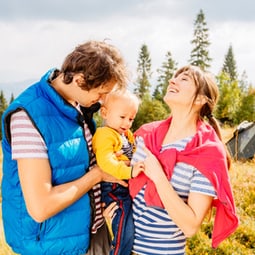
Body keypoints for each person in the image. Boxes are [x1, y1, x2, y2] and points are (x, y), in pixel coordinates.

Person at [1, 40, 129, 255]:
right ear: (79, 80)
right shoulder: (28, 116)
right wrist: (97, 176)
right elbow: (41, 207)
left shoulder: (78, 105)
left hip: (90, 233)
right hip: (52, 246)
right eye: (101, 92)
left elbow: (76, 167)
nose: (104, 99)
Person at [105, 65, 239, 255]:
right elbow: (126, 185)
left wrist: (159, 177)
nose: (172, 80)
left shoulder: (207, 152)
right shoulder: (144, 135)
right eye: (174, 76)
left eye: (184, 79)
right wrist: (115, 214)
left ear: (200, 99)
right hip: (123, 249)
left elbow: (190, 226)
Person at [92, 89, 144, 255]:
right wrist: (129, 171)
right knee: (123, 220)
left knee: (129, 219)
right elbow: (106, 162)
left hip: (124, 185)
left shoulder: (125, 134)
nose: (127, 123)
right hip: (112, 186)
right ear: (105, 113)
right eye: (122, 117)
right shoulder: (104, 134)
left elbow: (134, 152)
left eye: (131, 119)